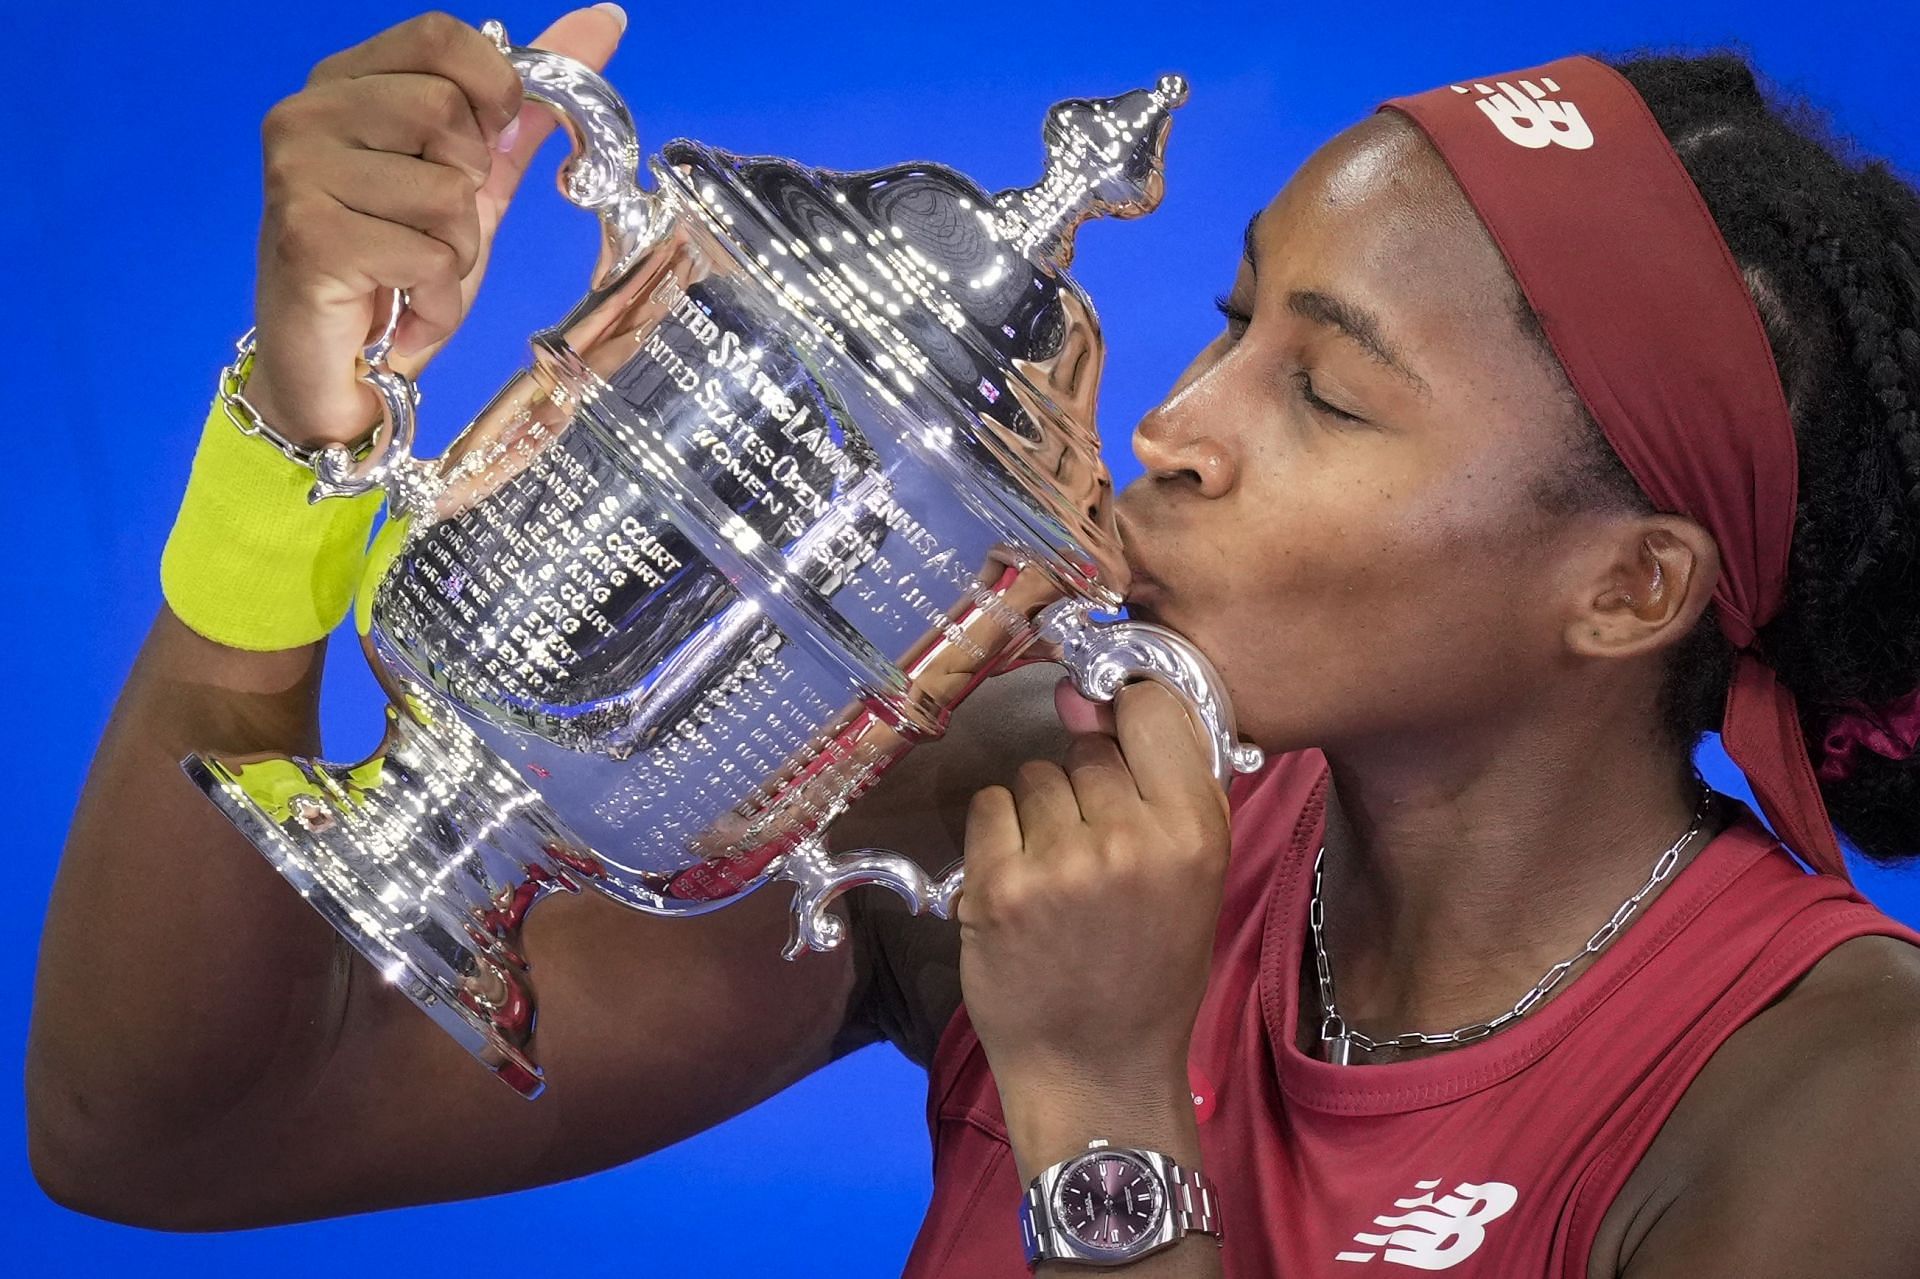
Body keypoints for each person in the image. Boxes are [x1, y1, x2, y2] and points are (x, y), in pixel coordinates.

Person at [26, 6, 1920, 1275]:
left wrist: (1098, 1105)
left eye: (1329, 396)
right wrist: (301, 452)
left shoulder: (1839, 1099)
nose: (1176, 423)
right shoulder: (1009, 793)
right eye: (1237, 320)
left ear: (1628, 588)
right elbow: (165, 1129)